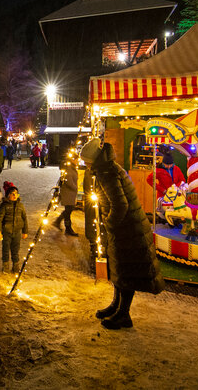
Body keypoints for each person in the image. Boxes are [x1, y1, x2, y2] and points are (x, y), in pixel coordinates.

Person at [80, 137, 165, 330]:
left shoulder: (107, 172)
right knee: (120, 269)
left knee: (127, 271)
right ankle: (116, 305)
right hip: (125, 228)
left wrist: (109, 224)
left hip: (127, 230)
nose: (85, 163)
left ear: (93, 158)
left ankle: (123, 314)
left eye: (86, 160)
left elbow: (120, 205)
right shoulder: (107, 168)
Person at [0, 181, 28, 273]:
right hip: (7, 231)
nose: (14, 196)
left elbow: (24, 218)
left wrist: (25, 231)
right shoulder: (4, 206)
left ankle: (15, 265)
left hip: (17, 232)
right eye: (12, 194)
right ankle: (5, 266)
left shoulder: (20, 206)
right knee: (5, 249)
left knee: (15, 249)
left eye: (16, 194)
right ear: (8, 195)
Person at [53, 156, 79, 236]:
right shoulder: (69, 168)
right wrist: (76, 188)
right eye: (76, 159)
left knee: (69, 210)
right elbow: (68, 182)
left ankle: (58, 222)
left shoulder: (72, 167)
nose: (78, 161)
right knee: (68, 210)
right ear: (73, 160)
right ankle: (67, 228)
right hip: (68, 192)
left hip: (70, 193)